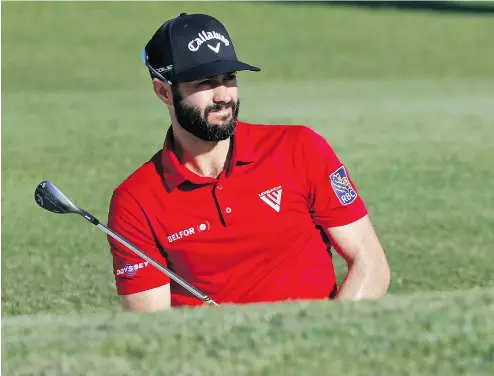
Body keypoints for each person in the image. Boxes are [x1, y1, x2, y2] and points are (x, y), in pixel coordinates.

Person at [106, 12, 391, 312]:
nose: (223, 96)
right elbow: (153, 328)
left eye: (229, 78)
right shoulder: (135, 201)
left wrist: (326, 339)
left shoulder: (300, 149)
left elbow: (370, 263)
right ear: (164, 91)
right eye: (204, 83)